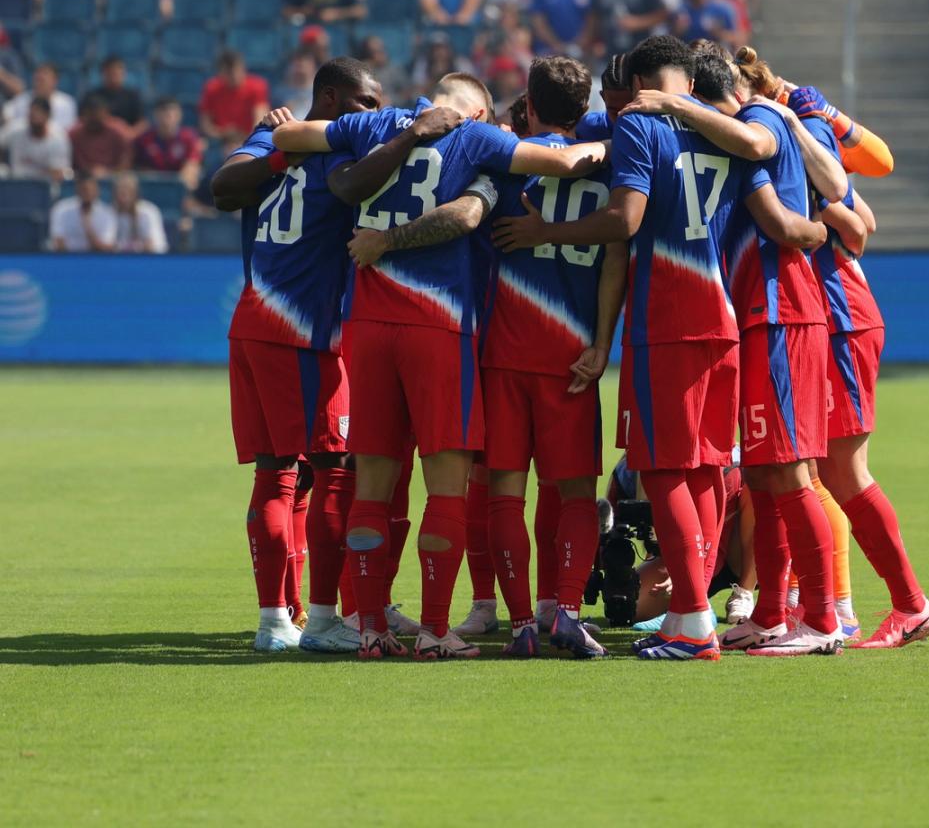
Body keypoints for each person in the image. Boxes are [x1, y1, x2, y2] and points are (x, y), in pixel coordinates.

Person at [491, 36, 818, 660]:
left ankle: (693, 619)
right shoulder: (728, 130)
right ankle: (696, 615)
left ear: (641, 83)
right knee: (705, 470)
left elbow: (624, 222)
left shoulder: (641, 128)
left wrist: (545, 231)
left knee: (663, 468)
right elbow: (766, 185)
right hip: (720, 321)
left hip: (664, 322)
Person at [271, 73, 608, 661]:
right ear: (475, 111)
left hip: (367, 326)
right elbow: (567, 164)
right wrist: (607, 144)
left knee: (371, 485)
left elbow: (295, 136)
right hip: (440, 328)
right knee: (445, 487)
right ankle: (433, 629)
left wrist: (275, 126)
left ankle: (370, 627)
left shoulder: (375, 124)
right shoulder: (477, 141)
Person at [209, 58, 391, 653]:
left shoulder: (271, 137)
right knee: (334, 470)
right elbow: (224, 190)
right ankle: (321, 617)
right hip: (303, 336)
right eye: (366, 102)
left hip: (251, 324)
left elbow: (227, 186)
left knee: (279, 473)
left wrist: (279, 151)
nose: (375, 113)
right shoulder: (337, 154)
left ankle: (275, 619)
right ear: (331, 97)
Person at [789, 83, 929, 649]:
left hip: (840, 320)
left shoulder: (796, 126)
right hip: (816, 321)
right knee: (804, 471)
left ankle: (907, 605)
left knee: (839, 473)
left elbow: (861, 219)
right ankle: (821, 605)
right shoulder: (779, 131)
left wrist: (814, 112)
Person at [198, 51, 271, 149]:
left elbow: (260, 119)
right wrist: (223, 133)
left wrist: (243, 138)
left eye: (237, 70)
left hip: (249, 139)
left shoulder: (257, 86)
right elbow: (206, 125)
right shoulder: (211, 88)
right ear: (220, 73)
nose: (234, 76)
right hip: (220, 141)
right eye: (228, 72)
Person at [134, 97, 203, 189]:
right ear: (155, 115)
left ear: (180, 115)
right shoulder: (144, 139)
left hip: (180, 187)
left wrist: (179, 180)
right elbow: (140, 169)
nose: (168, 118)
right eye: (164, 113)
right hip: (152, 188)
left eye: (172, 114)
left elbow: (192, 164)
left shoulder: (189, 138)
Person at [2, 95, 71, 181]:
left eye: (38, 113)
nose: (34, 117)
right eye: (32, 113)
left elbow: (58, 174)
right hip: (16, 184)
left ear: (48, 115)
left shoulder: (58, 139)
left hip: (44, 188)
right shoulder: (15, 130)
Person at [49, 172, 117, 252]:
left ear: (97, 191)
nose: (88, 194)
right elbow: (58, 242)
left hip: (97, 258)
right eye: (84, 190)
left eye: (91, 190)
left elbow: (108, 247)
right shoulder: (61, 208)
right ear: (77, 190)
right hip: (68, 258)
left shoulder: (108, 212)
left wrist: (88, 227)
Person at [3, 62, 77, 132]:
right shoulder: (20, 101)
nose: (40, 82)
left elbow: (67, 133)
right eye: (38, 79)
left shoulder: (67, 104)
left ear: (55, 80)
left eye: (43, 80)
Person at [69, 93, 132, 175]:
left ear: (106, 114)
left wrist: (109, 172)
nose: (94, 119)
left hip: (113, 178)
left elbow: (125, 161)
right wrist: (88, 172)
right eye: (91, 115)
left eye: (98, 115)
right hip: (82, 178)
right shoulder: (74, 135)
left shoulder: (118, 133)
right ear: (84, 115)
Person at [111, 171, 168, 254]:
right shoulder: (109, 213)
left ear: (136, 193)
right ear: (114, 194)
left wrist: (143, 246)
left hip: (146, 261)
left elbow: (160, 246)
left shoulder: (149, 212)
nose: (125, 197)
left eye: (128, 192)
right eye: (121, 193)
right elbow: (104, 246)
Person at [85, 57, 143, 132]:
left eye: (117, 72)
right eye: (110, 72)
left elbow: (142, 123)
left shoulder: (133, 96)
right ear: (103, 74)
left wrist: (130, 134)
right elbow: (82, 120)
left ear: (124, 73)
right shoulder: (92, 96)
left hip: (125, 138)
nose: (114, 76)